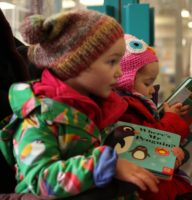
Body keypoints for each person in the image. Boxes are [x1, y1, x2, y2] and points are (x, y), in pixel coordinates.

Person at [0, 9, 159, 199]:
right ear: (77, 64)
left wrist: (156, 153)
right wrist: (105, 165)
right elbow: (41, 180)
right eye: (112, 62)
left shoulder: (90, 108)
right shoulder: (38, 118)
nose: (119, 73)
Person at [114, 34, 192, 200]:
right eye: (147, 83)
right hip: (151, 188)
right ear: (126, 81)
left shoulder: (140, 105)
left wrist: (180, 124)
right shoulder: (126, 108)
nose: (152, 89)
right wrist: (172, 119)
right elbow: (154, 142)